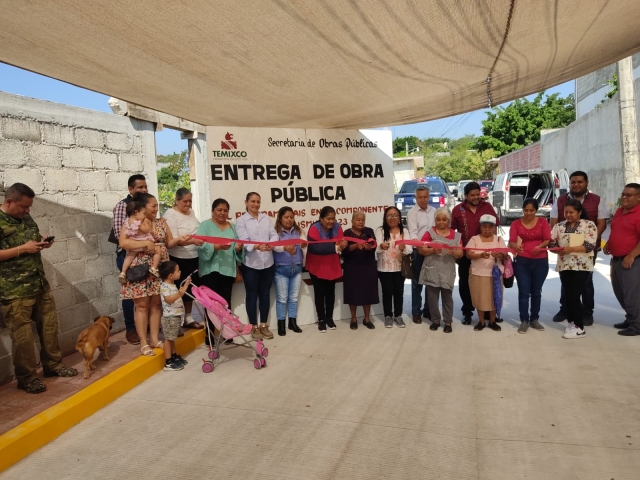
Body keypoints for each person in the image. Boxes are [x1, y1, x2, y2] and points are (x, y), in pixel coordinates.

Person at [0, 183, 78, 394]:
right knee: (23, 338)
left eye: (29, 207)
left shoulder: (26, 218)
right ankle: (26, 378)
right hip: (14, 291)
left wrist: (41, 242)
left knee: (49, 328)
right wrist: (22, 249)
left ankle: (53, 366)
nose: (27, 211)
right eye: (24, 207)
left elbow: (30, 239)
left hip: (39, 284)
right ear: (9, 202)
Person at [119, 193, 190, 356]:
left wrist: (181, 239)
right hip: (140, 266)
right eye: (153, 206)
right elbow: (123, 243)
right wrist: (146, 243)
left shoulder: (161, 223)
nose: (157, 209)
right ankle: (143, 342)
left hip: (160, 266)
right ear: (142, 208)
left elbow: (169, 243)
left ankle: (154, 339)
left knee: (157, 304)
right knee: (142, 305)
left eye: (157, 206)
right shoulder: (133, 222)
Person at [550, 171, 608, 325]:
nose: (576, 185)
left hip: (586, 253)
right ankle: (566, 310)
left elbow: (602, 223)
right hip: (564, 255)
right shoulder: (561, 200)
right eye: (573, 182)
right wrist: (555, 245)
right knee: (566, 283)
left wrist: (590, 238)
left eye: (579, 182)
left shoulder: (596, 200)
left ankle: (587, 313)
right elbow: (554, 223)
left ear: (586, 182)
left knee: (586, 282)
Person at [451, 181, 500, 325]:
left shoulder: (487, 207)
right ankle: (467, 312)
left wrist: (496, 247)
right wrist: (456, 250)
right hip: (466, 254)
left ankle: (487, 312)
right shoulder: (457, 210)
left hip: (487, 254)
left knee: (487, 283)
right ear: (465, 196)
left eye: (477, 194)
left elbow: (495, 227)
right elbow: (452, 232)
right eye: (472, 195)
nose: (475, 197)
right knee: (465, 284)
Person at [549, 199, 597, 339]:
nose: (568, 215)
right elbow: (552, 243)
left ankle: (580, 327)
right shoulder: (559, 226)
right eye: (566, 212)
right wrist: (557, 250)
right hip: (565, 265)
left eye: (571, 212)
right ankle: (571, 323)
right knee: (568, 295)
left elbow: (589, 245)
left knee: (574, 295)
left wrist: (571, 249)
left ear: (579, 212)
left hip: (582, 265)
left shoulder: (588, 225)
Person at [110, 174, 147, 345]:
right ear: (130, 189)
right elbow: (120, 237)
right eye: (139, 187)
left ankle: (143, 326)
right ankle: (131, 329)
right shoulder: (121, 207)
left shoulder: (145, 206)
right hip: (128, 256)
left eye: (145, 187)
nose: (143, 190)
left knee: (146, 292)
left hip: (145, 255)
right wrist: (143, 243)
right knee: (129, 294)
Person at [236, 193, 278, 340]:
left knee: (265, 295)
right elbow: (244, 240)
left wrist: (270, 244)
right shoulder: (241, 221)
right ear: (246, 202)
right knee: (252, 296)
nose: (255, 204)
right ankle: (254, 326)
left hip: (268, 263)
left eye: (258, 202)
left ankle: (264, 325)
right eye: (252, 201)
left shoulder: (266, 218)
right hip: (250, 264)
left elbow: (274, 235)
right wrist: (257, 246)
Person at [508, 198, 551, 333]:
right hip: (522, 261)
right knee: (524, 292)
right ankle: (524, 320)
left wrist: (540, 247)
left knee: (536, 292)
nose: (528, 213)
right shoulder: (515, 223)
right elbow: (511, 241)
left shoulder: (543, 222)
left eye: (531, 210)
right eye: (526, 210)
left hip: (540, 261)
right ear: (522, 210)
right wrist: (515, 246)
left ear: (536, 210)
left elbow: (547, 239)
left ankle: (534, 319)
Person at [163, 187, 204, 330]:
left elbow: (197, 231)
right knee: (180, 290)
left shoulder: (191, 212)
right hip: (179, 257)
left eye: (190, 201)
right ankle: (176, 321)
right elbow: (173, 240)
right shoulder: (170, 215)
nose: (188, 204)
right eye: (185, 201)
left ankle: (188, 317)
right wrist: (192, 241)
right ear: (177, 200)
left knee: (190, 289)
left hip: (194, 255)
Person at [603, 183, 640, 336]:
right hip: (616, 259)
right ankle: (630, 318)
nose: (624, 197)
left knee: (632, 295)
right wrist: (609, 245)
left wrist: (631, 255)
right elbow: (616, 231)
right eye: (623, 194)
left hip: (631, 261)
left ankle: (637, 325)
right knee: (620, 293)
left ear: (638, 198)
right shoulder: (619, 211)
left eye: (628, 195)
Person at [418, 208, 463, 333]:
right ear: (435, 220)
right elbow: (421, 249)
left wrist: (454, 252)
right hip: (431, 269)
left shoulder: (456, 235)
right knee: (432, 297)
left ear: (448, 220)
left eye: (444, 219)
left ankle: (448, 321)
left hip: (447, 270)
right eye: (438, 219)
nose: (441, 222)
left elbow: (460, 252)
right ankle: (435, 320)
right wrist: (432, 250)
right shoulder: (429, 233)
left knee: (447, 297)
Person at [306, 206, 348, 332]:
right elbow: (314, 248)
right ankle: (321, 319)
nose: (331, 221)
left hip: (332, 265)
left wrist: (343, 245)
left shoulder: (338, 227)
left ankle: (329, 318)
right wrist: (335, 248)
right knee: (319, 293)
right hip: (317, 266)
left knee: (331, 293)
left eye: (333, 219)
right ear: (321, 219)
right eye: (328, 219)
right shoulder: (314, 228)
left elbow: (340, 244)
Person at [196, 198, 244, 307]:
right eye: (219, 210)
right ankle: (213, 325)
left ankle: (225, 325)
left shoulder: (233, 228)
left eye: (225, 210)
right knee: (211, 304)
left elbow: (237, 249)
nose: (222, 213)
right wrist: (216, 247)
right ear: (213, 211)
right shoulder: (205, 225)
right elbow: (199, 244)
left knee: (225, 303)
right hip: (209, 271)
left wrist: (238, 248)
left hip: (228, 270)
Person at [466, 215, 506, 332]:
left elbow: (505, 254)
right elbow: (469, 254)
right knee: (480, 298)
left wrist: (500, 255)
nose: (487, 229)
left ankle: (492, 321)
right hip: (478, 273)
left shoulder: (499, 239)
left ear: (494, 228)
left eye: (490, 227)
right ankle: (481, 321)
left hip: (495, 275)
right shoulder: (474, 239)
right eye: (484, 226)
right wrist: (480, 255)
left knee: (494, 298)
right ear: (480, 227)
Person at [375, 207, 412, 328]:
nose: (392, 218)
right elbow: (376, 249)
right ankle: (388, 316)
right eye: (389, 216)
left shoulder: (404, 231)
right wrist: (381, 246)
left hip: (399, 268)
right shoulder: (380, 231)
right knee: (386, 292)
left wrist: (404, 248)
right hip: (384, 268)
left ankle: (398, 315)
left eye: (395, 215)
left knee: (398, 292)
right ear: (385, 218)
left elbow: (410, 249)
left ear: (400, 218)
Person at [273, 207, 307, 335]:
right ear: (280, 218)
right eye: (286, 217)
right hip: (281, 269)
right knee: (282, 298)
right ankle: (281, 324)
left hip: (297, 268)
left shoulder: (299, 231)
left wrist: (304, 245)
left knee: (293, 298)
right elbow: (274, 247)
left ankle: (292, 322)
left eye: (291, 217)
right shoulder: (275, 232)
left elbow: (304, 243)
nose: (289, 219)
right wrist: (285, 248)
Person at [342, 211, 378, 330]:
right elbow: (344, 250)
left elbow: (374, 245)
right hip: (352, 267)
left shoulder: (369, 231)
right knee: (353, 293)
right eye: (358, 219)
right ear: (352, 221)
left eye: (362, 219)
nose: (361, 221)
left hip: (367, 266)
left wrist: (369, 247)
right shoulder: (346, 233)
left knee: (367, 292)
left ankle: (367, 318)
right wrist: (355, 246)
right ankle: (353, 319)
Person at [407, 184, 435, 324]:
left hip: (432, 251)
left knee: (431, 282)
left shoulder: (434, 211)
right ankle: (416, 312)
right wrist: (420, 246)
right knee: (417, 282)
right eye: (420, 197)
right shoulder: (412, 213)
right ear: (416, 198)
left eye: (425, 197)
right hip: (418, 250)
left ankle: (428, 310)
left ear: (428, 197)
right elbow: (413, 232)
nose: (423, 200)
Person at [119, 200, 162, 283]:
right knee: (157, 250)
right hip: (143, 242)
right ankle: (154, 267)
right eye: (143, 214)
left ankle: (123, 272)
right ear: (136, 212)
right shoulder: (137, 223)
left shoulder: (126, 222)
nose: (144, 216)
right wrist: (146, 225)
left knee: (129, 257)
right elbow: (145, 230)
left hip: (134, 244)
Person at [159, 261, 190, 371]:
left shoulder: (172, 285)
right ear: (171, 275)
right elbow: (169, 300)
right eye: (178, 270)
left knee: (172, 339)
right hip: (170, 318)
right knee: (168, 339)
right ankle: (168, 362)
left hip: (175, 317)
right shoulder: (164, 286)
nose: (180, 272)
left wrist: (186, 285)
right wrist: (180, 294)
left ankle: (174, 356)